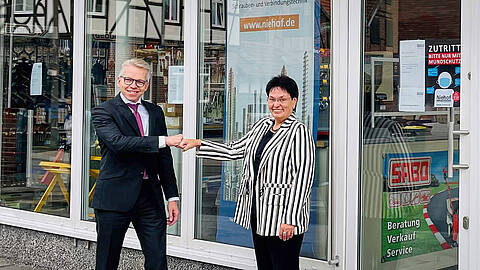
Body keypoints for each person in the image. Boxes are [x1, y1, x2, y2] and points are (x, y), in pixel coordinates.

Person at [180, 75, 315, 270]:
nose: (276, 104)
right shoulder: (263, 126)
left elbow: (303, 178)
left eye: (282, 99)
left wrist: (291, 219)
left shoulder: (299, 131)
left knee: (284, 265)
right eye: (272, 99)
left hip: (283, 216)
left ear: (294, 101)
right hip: (260, 211)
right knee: (265, 264)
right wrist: (198, 143)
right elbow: (235, 149)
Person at [91, 58, 182, 270]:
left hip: (150, 196)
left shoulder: (155, 111)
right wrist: (164, 140)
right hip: (114, 197)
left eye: (139, 82)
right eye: (129, 80)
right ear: (120, 81)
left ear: (147, 85)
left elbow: (164, 159)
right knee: (107, 261)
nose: (134, 86)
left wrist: (172, 197)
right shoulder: (104, 111)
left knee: (158, 261)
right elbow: (118, 143)